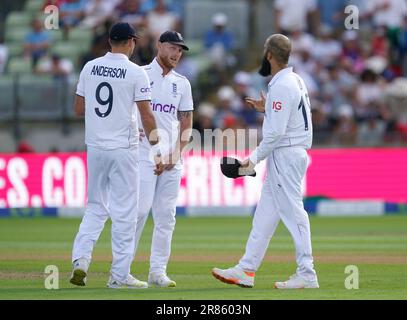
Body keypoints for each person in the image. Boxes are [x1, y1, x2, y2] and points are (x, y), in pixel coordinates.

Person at [212, 34, 319, 289]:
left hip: (286, 152)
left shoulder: (282, 84)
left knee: (294, 213)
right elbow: (290, 115)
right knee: (265, 216)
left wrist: (251, 161)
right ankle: (246, 269)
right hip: (290, 152)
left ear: (269, 54)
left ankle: (307, 272)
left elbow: (276, 133)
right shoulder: (294, 80)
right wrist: (268, 107)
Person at [69, 22, 163, 289]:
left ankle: (81, 261)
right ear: (132, 42)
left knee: (96, 206)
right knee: (125, 212)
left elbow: (78, 108)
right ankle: (119, 276)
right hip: (124, 149)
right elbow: (147, 115)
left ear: (109, 41)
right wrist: (157, 149)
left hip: (96, 147)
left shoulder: (90, 67)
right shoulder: (136, 73)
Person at [134, 30, 193, 287]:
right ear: (159, 45)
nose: (177, 53)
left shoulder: (182, 83)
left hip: (171, 159)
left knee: (166, 216)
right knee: (138, 211)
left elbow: (187, 122)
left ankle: (157, 271)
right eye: (173, 47)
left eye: (180, 50)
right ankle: (121, 269)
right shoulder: (141, 75)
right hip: (143, 154)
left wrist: (176, 153)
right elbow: (126, 110)